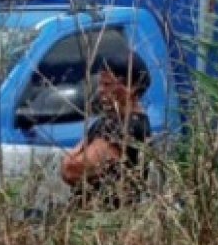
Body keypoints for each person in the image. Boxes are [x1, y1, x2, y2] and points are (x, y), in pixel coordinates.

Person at [60, 53, 152, 208]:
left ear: (131, 88)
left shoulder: (129, 127)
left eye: (108, 85)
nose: (101, 90)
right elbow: (70, 165)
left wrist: (74, 162)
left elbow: (73, 169)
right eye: (101, 84)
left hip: (108, 215)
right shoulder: (105, 122)